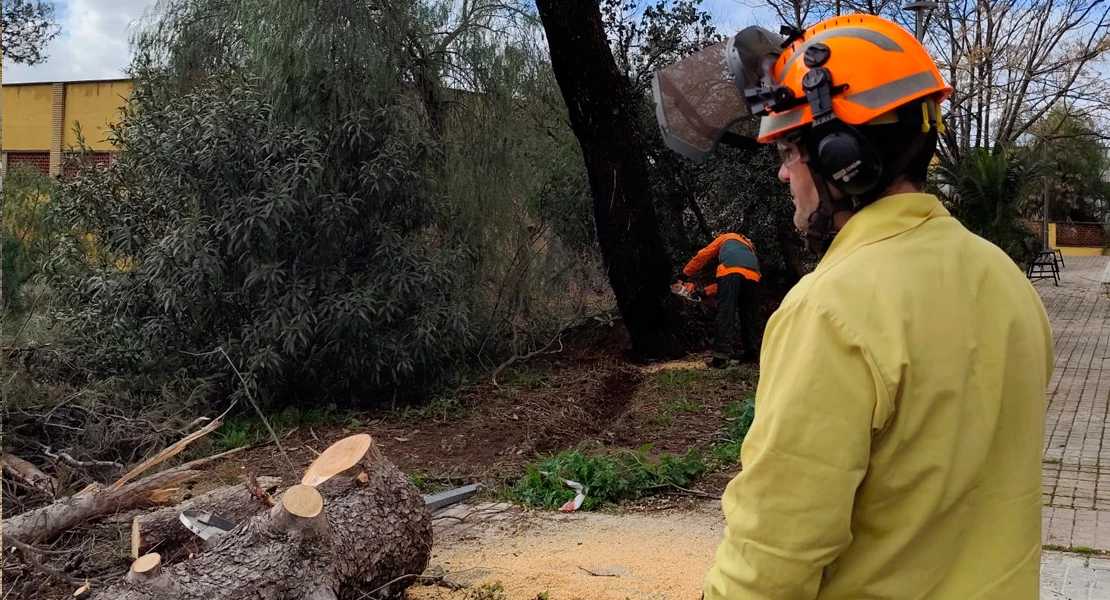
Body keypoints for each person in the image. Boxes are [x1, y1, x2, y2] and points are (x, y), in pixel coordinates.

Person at [652, 14, 1053, 599]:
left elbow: (769, 563)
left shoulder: (831, 311)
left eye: (788, 150)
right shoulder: (1007, 281)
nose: (783, 175)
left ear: (844, 156)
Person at [673, 232, 761, 367]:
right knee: (748, 314)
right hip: (754, 275)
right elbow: (728, 284)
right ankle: (751, 353)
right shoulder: (748, 248)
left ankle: (721, 357)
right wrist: (704, 292)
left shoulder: (727, 237)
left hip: (730, 270)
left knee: (726, 312)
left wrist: (684, 274)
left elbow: (703, 254)